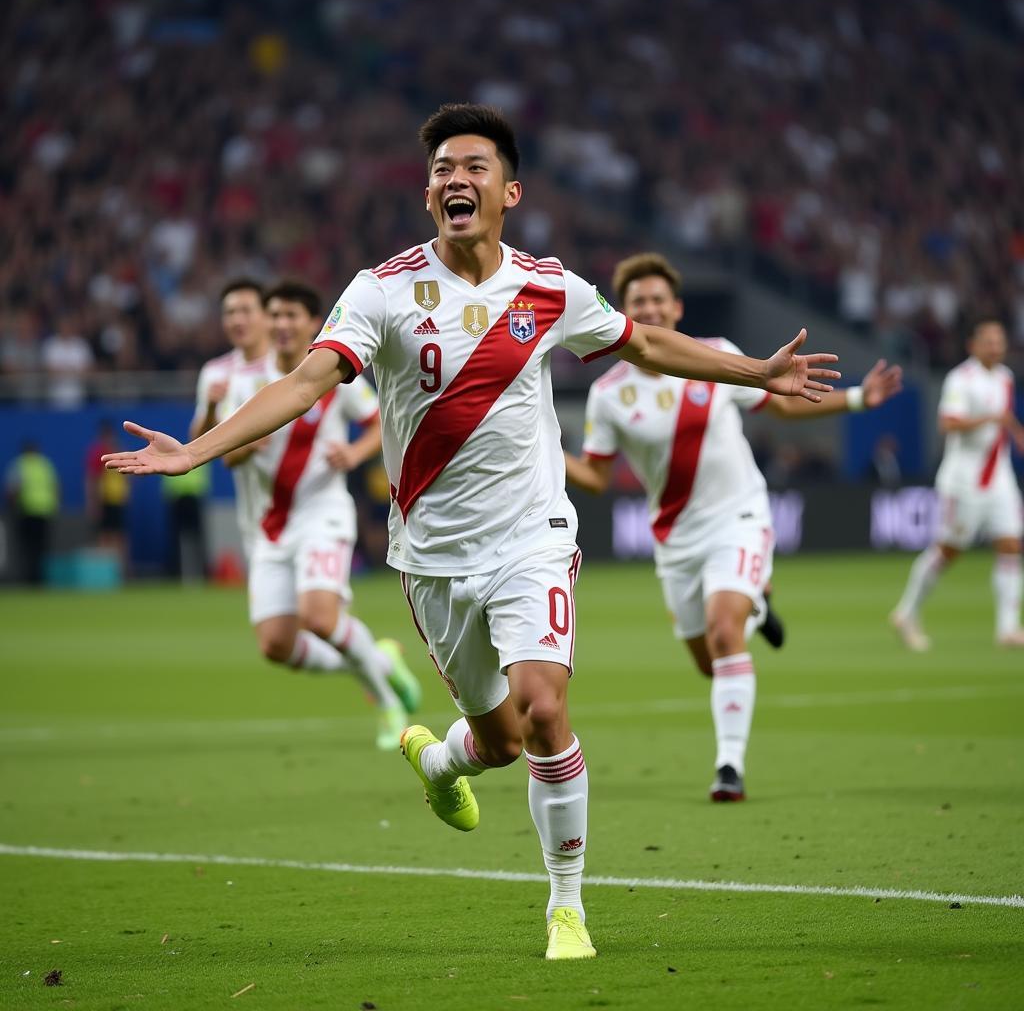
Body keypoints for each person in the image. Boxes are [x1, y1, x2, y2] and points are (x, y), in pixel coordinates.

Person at [103, 103, 840, 960]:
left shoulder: (550, 287)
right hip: (432, 558)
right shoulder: (379, 291)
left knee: (546, 708)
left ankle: (567, 907)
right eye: (442, 169)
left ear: (510, 190)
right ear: (428, 196)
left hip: (533, 535)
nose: (456, 178)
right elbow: (306, 384)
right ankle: (443, 760)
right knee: (499, 739)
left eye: (475, 167)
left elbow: (644, 345)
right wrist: (196, 450)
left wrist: (756, 370)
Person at [564, 253, 901, 802]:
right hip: (675, 538)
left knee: (724, 634)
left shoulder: (717, 357)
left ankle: (729, 768)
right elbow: (597, 479)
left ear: (675, 307)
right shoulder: (609, 394)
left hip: (738, 516)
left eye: (656, 299)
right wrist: (553, 461)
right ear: (622, 312)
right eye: (637, 302)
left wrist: (861, 398)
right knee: (709, 662)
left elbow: (783, 406)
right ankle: (758, 605)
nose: (648, 307)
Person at [222, 280, 420, 751]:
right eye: (275, 316)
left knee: (319, 616)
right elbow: (229, 456)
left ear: (314, 323)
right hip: (271, 527)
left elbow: (381, 424)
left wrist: (353, 454)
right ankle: (380, 660)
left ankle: (386, 699)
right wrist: (248, 445)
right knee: (276, 645)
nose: (282, 324)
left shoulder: (335, 376)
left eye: (292, 316)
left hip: (323, 514)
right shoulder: (246, 384)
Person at [891, 319, 1024, 649]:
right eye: (988, 341)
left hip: (999, 477)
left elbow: (1003, 421)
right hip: (963, 481)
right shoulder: (961, 379)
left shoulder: (1005, 378)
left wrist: (1016, 433)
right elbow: (947, 423)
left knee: (1011, 544)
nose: (995, 347)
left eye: (999, 341)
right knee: (949, 550)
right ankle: (907, 611)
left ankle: (1008, 628)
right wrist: (990, 419)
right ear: (973, 345)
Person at [191, 278, 272, 556]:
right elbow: (196, 442)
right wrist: (212, 407)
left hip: (306, 505)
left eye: (246, 311)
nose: (237, 320)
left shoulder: (291, 366)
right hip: (253, 511)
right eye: (230, 312)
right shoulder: (215, 372)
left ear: (265, 315)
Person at [5, 440, 60, 585]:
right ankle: (39, 578)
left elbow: (13, 489)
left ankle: (28, 578)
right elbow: (55, 487)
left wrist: (13, 507)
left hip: (26, 511)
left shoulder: (20, 464)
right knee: (41, 547)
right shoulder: (44, 464)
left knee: (26, 547)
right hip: (44, 511)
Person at [85, 419, 130, 570]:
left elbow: (92, 479)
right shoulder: (107, 452)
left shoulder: (110, 451)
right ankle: (110, 571)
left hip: (114, 499)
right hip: (107, 499)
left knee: (114, 537)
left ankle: (116, 571)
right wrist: (94, 502)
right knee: (110, 537)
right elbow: (93, 479)